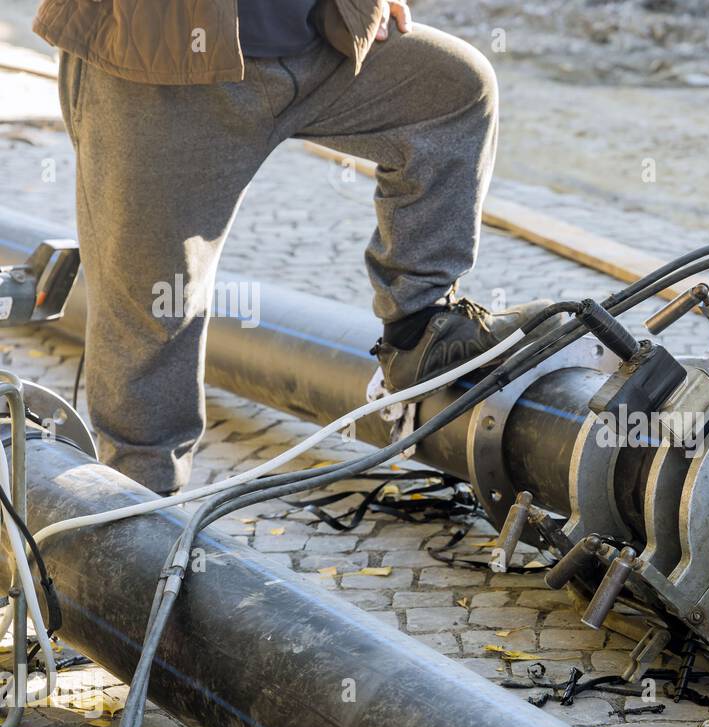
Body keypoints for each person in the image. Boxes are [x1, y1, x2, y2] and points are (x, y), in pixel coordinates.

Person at [33, 0, 539, 494]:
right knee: (153, 315)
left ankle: (419, 329)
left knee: (451, 88)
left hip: (319, 39)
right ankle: (137, 520)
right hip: (161, 62)